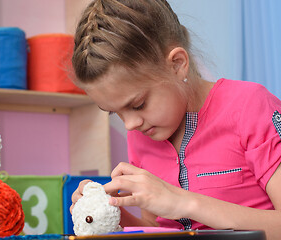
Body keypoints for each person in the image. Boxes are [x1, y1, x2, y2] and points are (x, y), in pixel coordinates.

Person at [69, 0, 281, 239]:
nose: (129, 125)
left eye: (138, 104)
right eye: (114, 112)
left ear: (177, 64)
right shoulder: (141, 134)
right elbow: (157, 231)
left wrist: (183, 202)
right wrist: (108, 212)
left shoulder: (250, 106)